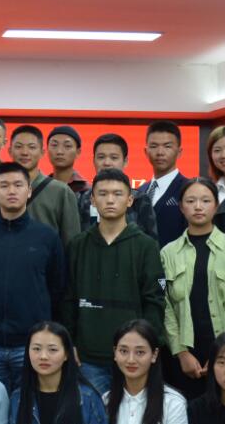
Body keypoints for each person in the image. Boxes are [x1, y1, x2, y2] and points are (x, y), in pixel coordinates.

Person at [0, 163, 67, 396]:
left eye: (18, 185)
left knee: (30, 408)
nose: (11, 191)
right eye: (4, 185)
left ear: (29, 191)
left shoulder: (47, 237)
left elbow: (57, 288)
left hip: (33, 345)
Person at [61, 168, 166, 395]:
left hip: (133, 357)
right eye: (103, 193)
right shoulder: (78, 245)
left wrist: (149, 346)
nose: (110, 200)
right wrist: (70, 342)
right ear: (92, 199)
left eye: (118, 194)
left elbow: (154, 302)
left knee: (133, 416)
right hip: (88, 359)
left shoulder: (146, 246)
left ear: (130, 200)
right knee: (91, 416)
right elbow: (68, 299)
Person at [160, 177, 225, 400]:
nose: (198, 207)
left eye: (205, 200)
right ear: (181, 207)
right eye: (191, 201)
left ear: (216, 206)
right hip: (183, 355)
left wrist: (224, 354)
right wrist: (181, 352)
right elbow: (166, 307)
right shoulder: (168, 253)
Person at [9, 124, 81, 246]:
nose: (25, 152)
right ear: (10, 151)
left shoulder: (61, 191)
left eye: (32, 147)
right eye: (19, 146)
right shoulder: (0, 189)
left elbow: (72, 242)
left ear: (42, 152)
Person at [76, 132, 157, 238]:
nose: (107, 163)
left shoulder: (140, 200)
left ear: (125, 161)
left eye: (114, 158)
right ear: (93, 160)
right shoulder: (81, 199)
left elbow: (150, 242)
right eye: (101, 157)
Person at [140, 121, 188, 248]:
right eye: (154, 146)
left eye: (167, 146)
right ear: (146, 151)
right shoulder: (139, 191)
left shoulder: (189, 189)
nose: (160, 152)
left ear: (179, 152)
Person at [46, 125, 89, 194]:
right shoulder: (39, 187)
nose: (59, 151)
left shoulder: (86, 190)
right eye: (54, 145)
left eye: (67, 146)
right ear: (47, 149)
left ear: (78, 152)